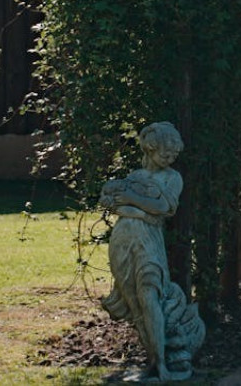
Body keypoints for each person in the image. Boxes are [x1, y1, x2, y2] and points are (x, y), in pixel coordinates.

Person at [99, 122, 203, 381]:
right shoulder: (134, 177)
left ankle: (162, 363)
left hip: (149, 242)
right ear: (150, 148)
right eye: (165, 153)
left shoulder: (172, 178)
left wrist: (133, 202)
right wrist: (138, 209)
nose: (170, 158)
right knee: (134, 303)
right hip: (122, 241)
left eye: (174, 155)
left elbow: (164, 208)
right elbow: (110, 203)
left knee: (149, 294)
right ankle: (153, 362)